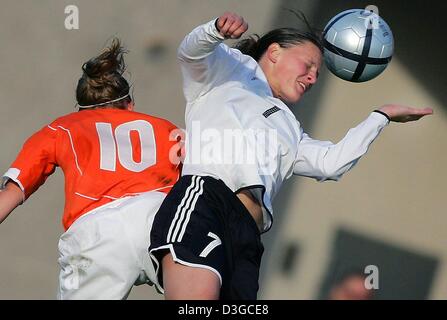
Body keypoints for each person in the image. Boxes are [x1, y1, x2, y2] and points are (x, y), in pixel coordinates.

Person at [148, 12, 433, 300]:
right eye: (308, 65)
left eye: (317, 74)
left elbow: (331, 164)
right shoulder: (228, 71)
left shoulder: (290, 127)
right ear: (274, 52)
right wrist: (215, 30)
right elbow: (190, 52)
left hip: (247, 235)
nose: (312, 77)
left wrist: (380, 116)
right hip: (206, 205)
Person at [0, 38, 181, 299]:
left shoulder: (60, 128)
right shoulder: (167, 128)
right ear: (129, 104)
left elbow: (11, 194)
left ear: (80, 107)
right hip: (160, 221)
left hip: (97, 232)